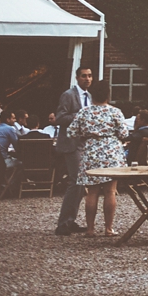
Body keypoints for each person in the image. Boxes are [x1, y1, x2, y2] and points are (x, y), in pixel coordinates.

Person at [66, 79, 128, 237]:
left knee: (91, 193)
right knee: (110, 191)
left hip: (91, 152)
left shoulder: (84, 112)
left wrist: (86, 134)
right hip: (111, 153)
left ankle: (90, 229)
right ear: (108, 94)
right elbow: (124, 134)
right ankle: (108, 228)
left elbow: (71, 133)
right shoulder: (115, 112)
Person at [54, 66, 93, 236]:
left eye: (90, 76)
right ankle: (63, 224)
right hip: (71, 143)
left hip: (84, 143)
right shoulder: (68, 95)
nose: (87, 79)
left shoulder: (89, 96)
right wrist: (80, 115)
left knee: (80, 182)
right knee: (76, 180)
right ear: (77, 78)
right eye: (84, 76)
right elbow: (60, 118)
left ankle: (70, 220)